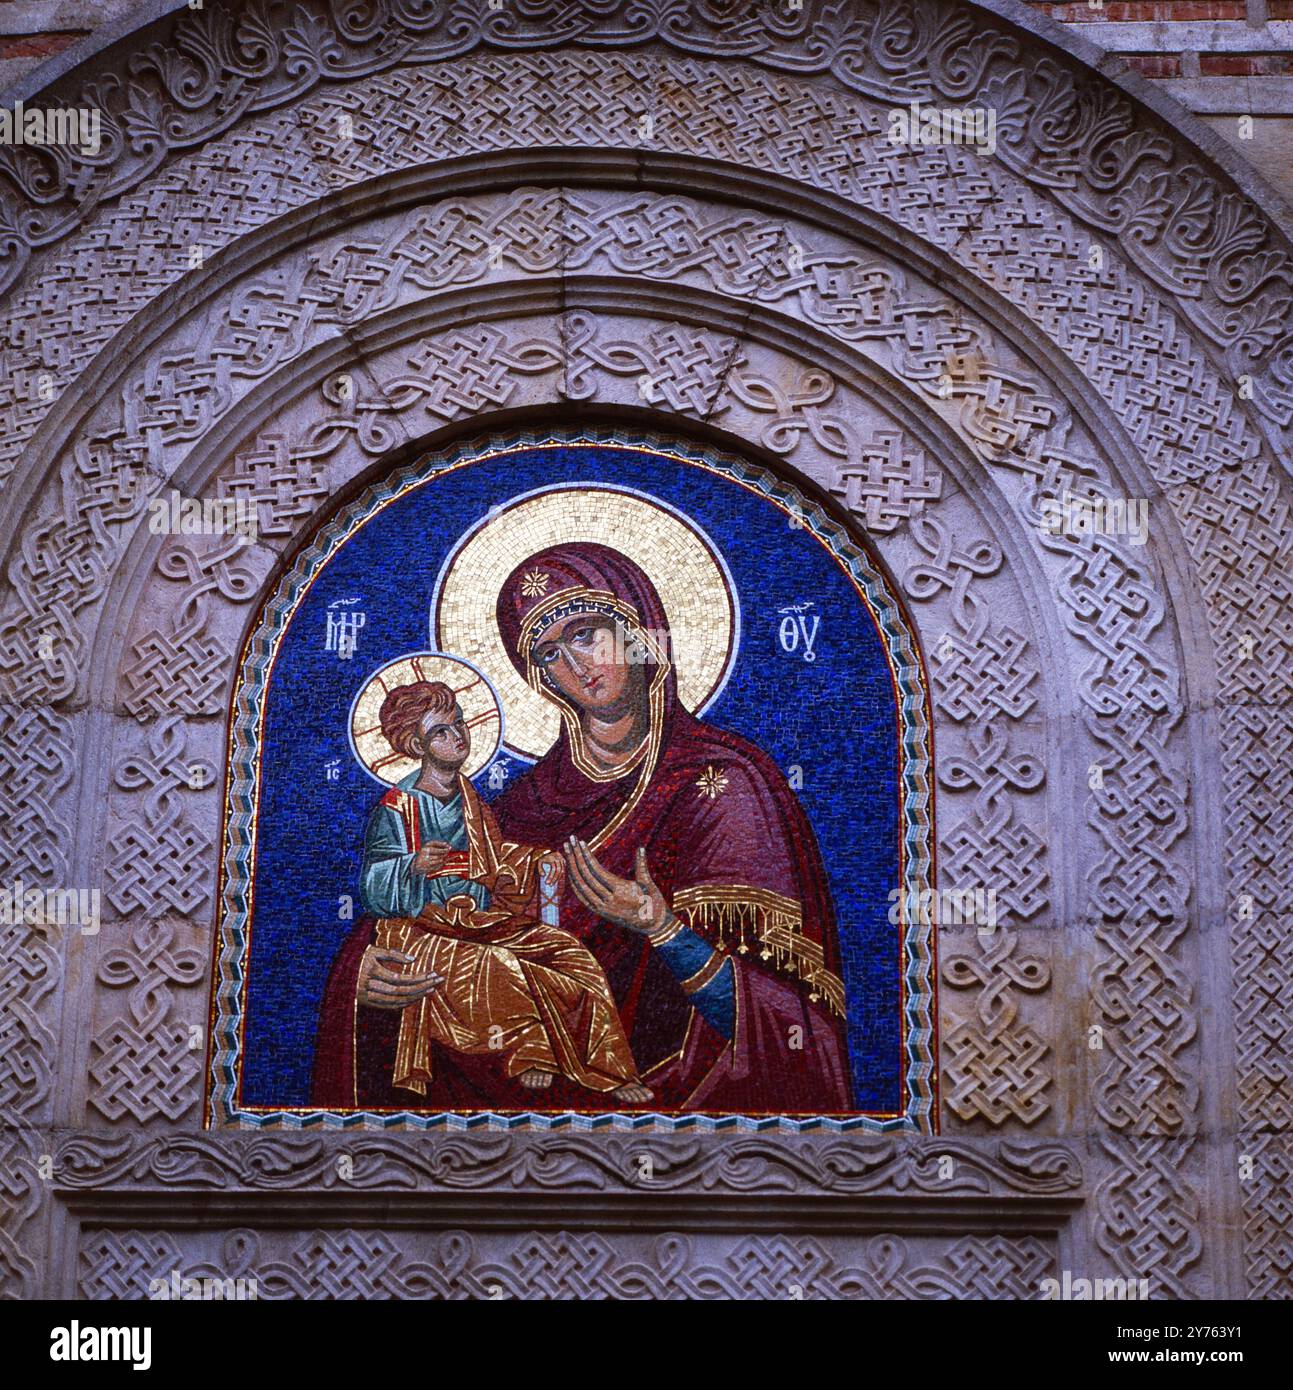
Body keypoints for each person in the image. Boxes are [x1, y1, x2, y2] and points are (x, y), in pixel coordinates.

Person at [313, 678, 650, 1107]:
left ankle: (610, 1069)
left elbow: (492, 860)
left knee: (568, 953)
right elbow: (373, 884)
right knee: (502, 965)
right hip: (424, 930)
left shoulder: (473, 802)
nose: (457, 736)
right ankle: (531, 1049)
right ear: (417, 746)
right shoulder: (399, 807)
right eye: (441, 731)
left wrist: (533, 862)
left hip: (479, 922)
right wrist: (412, 866)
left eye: (459, 724)